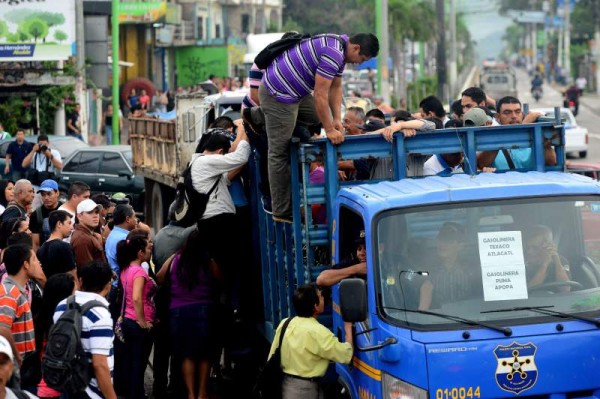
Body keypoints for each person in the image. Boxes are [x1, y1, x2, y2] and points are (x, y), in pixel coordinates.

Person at [259, 33, 379, 223]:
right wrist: (330, 130)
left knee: (317, 116)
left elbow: (336, 88)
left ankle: (266, 117)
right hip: (279, 94)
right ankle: (281, 210)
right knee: (279, 152)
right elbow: (320, 95)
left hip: (295, 91)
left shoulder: (340, 45)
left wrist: (337, 120)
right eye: (361, 59)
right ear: (355, 48)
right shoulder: (333, 53)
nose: (358, 63)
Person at [156, 230, 221, 399]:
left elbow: (160, 278)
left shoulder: (177, 259)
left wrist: (173, 257)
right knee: (205, 354)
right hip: (204, 311)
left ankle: (191, 394)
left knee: (187, 354)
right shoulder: (209, 261)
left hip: (178, 312)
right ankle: (202, 393)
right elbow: (219, 279)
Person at [269, 284, 353, 399]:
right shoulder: (318, 332)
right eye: (320, 296)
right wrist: (348, 329)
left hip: (286, 384)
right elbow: (345, 354)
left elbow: (272, 356)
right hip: (306, 390)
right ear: (315, 306)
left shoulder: (285, 323)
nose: (323, 298)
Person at [53, 261, 117, 399]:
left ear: (80, 281)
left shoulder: (62, 305)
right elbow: (100, 365)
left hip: (66, 385)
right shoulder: (100, 315)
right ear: (108, 285)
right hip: (91, 392)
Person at [116, 234, 156, 399]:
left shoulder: (126, 269)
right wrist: (143, 322)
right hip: (137, 322)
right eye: (147, 248)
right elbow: (137, 297)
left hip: (127, 319)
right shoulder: (139, 271)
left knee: (132, 361)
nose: (150, 250)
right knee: (138, 364)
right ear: (140, 253)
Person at [0, 244, 44, 381]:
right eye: (35, 259)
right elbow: (2, 328)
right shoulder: (9, 292)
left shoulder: (20, 290)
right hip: (15, 366)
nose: (38, 263)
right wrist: (17, 357)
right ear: (26, 264)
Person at [477, 96, 556, 170]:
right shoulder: (492, 139)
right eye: (507, 112)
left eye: (517, 112)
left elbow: (551, 161)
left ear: (522, 115)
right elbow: (481, 164)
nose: (514, 116)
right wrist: (524, 125)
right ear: (498, 117)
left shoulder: (534, 136)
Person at [418, 222, 479, 310]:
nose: (443, 244)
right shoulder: (428, 272)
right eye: (441, 239)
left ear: (460, 246)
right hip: (439, 321)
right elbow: (423, 309)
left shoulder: (472, 271)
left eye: (449, 241)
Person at [35, 273, 76, 399]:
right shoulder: (64, 324)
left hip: (40, 386)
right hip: (58, 389)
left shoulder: (39, 318)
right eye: (74, 293)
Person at [524, 225, 570, 291]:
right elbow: (529, 291)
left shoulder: (561, 261)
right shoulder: (521, 263)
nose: (529, 251)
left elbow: (565, 289)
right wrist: (545, 264)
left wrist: (556, 258)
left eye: (535, 248)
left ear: (547, 246)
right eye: (527, 247)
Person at [36, 211, 76, 280]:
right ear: (59, 224)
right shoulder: (64, 246)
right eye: (69, 223)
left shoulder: (40, 249)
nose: (72, 227)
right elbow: (72, 275)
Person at [70, 199, 106, 271]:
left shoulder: (88, 235)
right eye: (90, 212)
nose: (95, 216)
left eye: (96, 212)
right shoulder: (82, 238)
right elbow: (88, 272)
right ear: (79, 216)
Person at [29, 180, 61, 251]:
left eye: (49, 194)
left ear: (57, 193)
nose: (46, 198)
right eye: (43, 194)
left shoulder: (64, 209)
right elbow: (35, 244)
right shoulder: (36, 215)